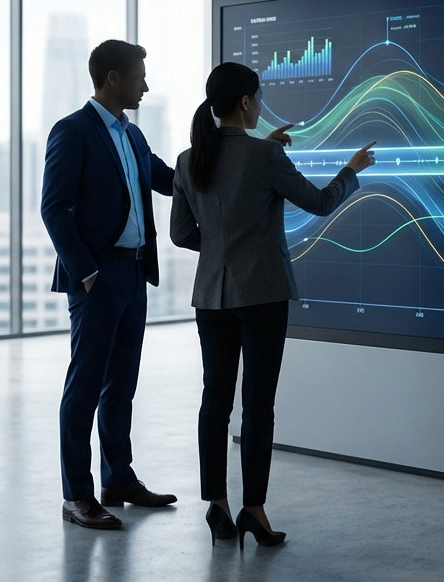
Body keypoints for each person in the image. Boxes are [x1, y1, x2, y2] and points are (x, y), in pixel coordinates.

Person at [170, 62, 375, 549]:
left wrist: (222, 247)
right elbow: (322, 202)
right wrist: (351, 170)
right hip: (261, 295)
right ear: (245, 103)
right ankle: (254, 510)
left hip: (211, 299)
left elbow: (182, 234)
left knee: (214, 402)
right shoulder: (265, 158)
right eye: (257, 97)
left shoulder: (187, 158)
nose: (260, 104)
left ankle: (217, 506)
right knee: (258, 405)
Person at [41, 39, 178, 530]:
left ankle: (118, 479)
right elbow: (53, 207)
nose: (146, 84)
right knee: (84, 386)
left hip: (134, 272)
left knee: (121, 385)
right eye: (140, 74)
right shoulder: (73, 131)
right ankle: (76, 494)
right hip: (98, 277)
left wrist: (234, 155)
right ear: (114, 77)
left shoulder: (133, 137)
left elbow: (169, 179)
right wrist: (87, 271)